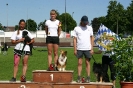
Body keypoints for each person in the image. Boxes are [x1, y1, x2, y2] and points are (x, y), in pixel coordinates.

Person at [73, 15, 94, 83]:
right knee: (79, 63)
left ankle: (88, 77)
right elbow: (75, 39)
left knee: (87, 62)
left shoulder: (90, 28)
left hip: (87, 48)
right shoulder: (77, 28)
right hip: (79, 48)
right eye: (84, 22)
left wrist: (92, 48)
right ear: (81, 21)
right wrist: (75, 49)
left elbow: (92, 38)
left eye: (86, 22)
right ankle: (79, 77)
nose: (85, 24)